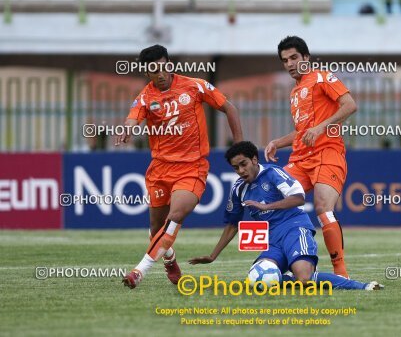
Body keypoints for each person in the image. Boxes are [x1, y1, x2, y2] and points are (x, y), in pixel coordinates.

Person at [116, 44, 243, 289]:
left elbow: (229, 107)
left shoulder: (194, 86)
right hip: (160, 170)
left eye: (164, 67)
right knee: (156, 229)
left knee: (174, 217)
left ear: (169, 64)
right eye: (154, 71)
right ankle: (170, 260)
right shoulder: (146, 96)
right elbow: (133, 117)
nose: (161, 74)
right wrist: (127, 129)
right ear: (147, 73)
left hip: (192, 168)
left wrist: (240, 146)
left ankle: (139, 271)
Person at [189, 141, 383, 291]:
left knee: (304, 279)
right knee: (259, 280)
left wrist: (265, 206)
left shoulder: (274, 174)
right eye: (236, 168)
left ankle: (361, 285)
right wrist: (213, 256)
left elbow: (298, 198)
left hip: (295, 229)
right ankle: (289, 273)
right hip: (272, 241)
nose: (240, 171)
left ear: (255, 160)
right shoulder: (239, 189)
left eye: (243, 164)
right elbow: (233, 224)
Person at [264, 36, 356, 278]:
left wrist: (321, 128)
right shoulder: (295, 93)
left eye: (294, 57)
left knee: (323, 207)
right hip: (301, 159)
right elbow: (303, 131)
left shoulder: (322, 77)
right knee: (271, 198)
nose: (290, 64)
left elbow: (349, 105)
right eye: (285, 60)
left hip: (327, 152)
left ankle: (340, 271)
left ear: (306, 57)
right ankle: (287, 259)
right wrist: (277, 142)